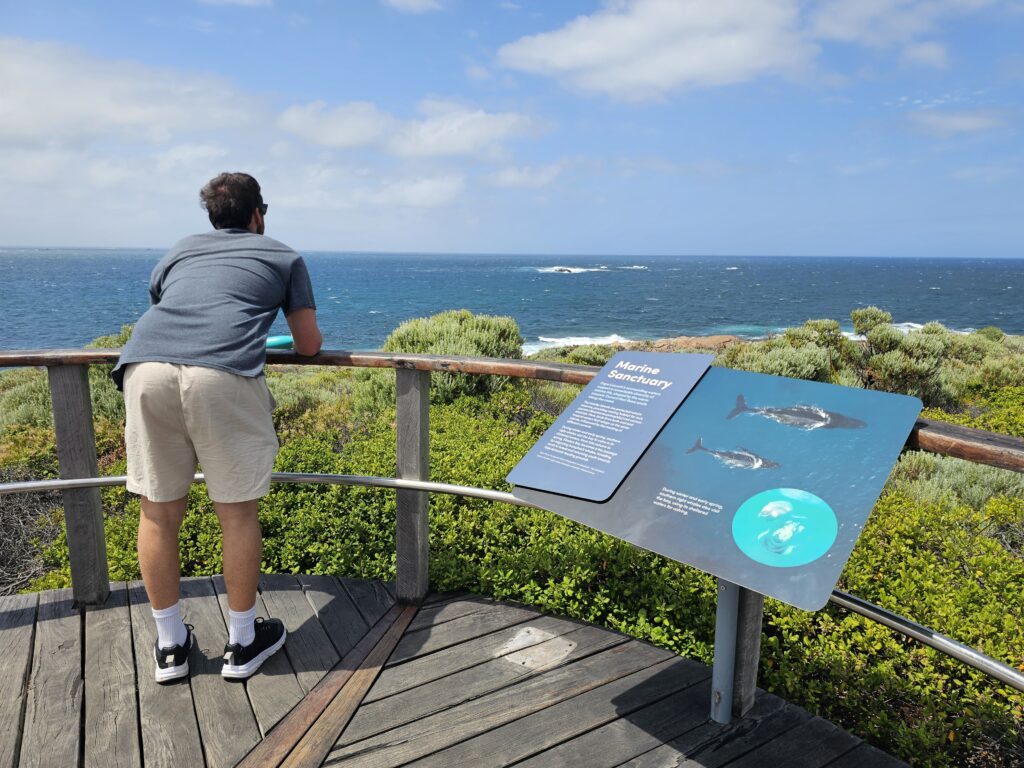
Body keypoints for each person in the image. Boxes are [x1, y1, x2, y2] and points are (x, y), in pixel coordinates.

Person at [111, 172, 322, 683]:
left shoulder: (180, 251)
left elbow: (170, 306)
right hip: (221, 375)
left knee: (158, 514)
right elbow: (309, 344)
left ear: (211, 216)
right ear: (258, 214)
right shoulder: (282, 256)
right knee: (236, 514)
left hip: (145, 368)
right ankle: (243, 643)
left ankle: (170, 648)